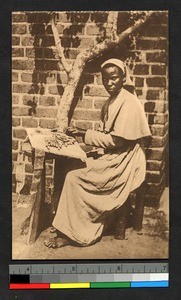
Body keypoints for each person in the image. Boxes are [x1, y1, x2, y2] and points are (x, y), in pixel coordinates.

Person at [44, 58, 151, 248]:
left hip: (126, 160)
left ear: (123, 77)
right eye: (105, 79)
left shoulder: (128, 103)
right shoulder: (114, 99)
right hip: (116, 154)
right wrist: (80, 133)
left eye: (114, 78)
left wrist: (85, 135)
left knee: (74, 176)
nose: (109, 83)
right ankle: (66, 224)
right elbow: (110, 135)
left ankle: (76, 234)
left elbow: (116, 141)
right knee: (72, 165)